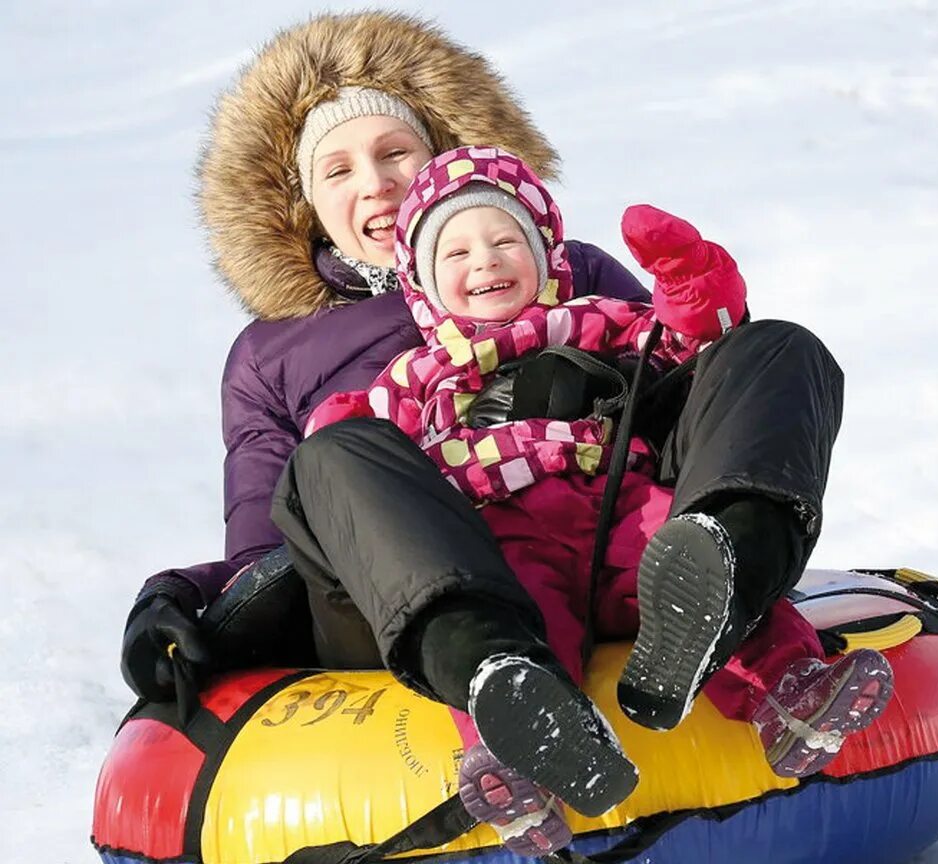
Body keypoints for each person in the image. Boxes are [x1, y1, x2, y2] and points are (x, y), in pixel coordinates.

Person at [294, 146, 894, 856]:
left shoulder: (596, 320)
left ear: (546, 254)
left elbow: (690, 343)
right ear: (422, 283)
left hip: (619, 503)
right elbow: (374, 469)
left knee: (691, 560)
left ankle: (786, 689)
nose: (485, 261)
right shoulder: (414, 376)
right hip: (507, 536)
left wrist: (686, 277)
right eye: (455, 250)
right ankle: (523, 750)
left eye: (505, 240)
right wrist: (339, 429)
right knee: (516, 632)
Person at [119, 11, 647, 702]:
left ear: (443, 155)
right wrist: (178, 595)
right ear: (305, 201)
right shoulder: (270, 354)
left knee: (759, 351)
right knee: (338, 453)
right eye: (338, 169)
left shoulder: (564, 269)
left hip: (591, 539)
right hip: (387, 604)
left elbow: (683, 395)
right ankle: (494, 679)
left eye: (396, 152)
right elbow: (268, 551)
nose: (376, 183)